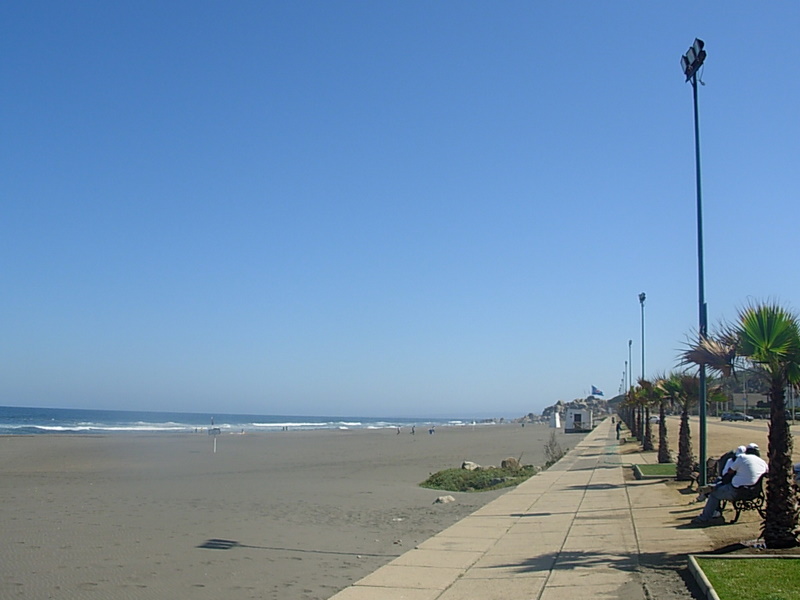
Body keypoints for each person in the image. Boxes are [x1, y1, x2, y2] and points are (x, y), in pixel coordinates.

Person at [692, 447, 768, 525]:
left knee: (714, 493)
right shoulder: (762, 461)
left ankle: (705, 517)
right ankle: (711, 493)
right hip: (755, 492)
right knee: (720, 483)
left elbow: (729, 471)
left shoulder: (741, 458)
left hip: (737, 491)